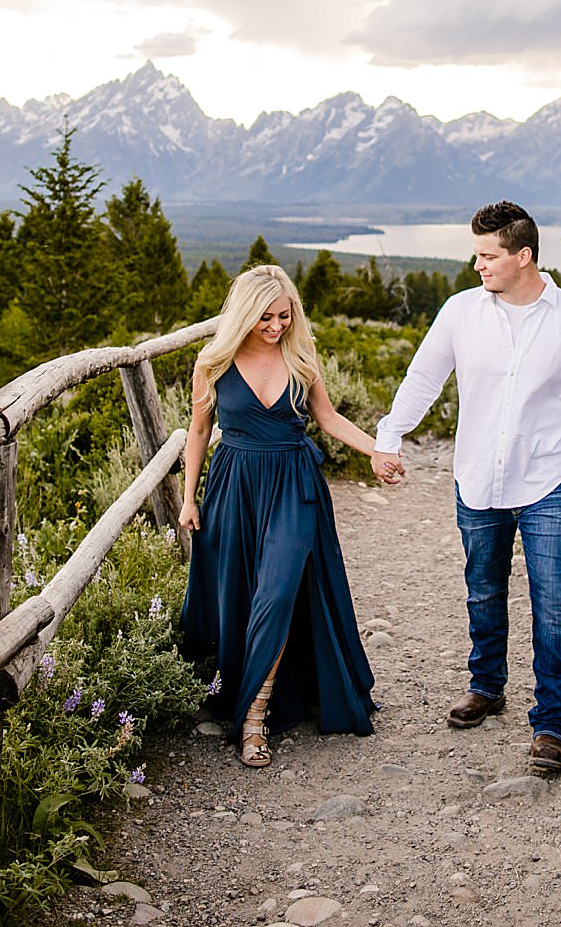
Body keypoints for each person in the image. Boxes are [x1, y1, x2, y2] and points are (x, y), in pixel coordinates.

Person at [372, 201, 561, 777]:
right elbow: (424, 378)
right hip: (477, 477)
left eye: (487, 255)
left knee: (553, 602)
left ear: (523, 256)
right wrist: (390, 435)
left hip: (548, 480)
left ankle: (552, 724)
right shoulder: (461, 313)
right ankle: (487, 686)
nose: (476, 264)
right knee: (483, 590)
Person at [177, 264, 398, 767]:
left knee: (276, 593)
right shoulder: (213, 363)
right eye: (265, 318)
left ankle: (253, 719)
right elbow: (196, 432)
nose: (276, 326)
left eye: (284, 315)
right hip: (235, 486)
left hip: (294, 487)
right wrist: (189, 498)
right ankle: (251, 692)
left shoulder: (300, 358)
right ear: (243, 316)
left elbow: (328, 418)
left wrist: (376, 452)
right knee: (244, 596)